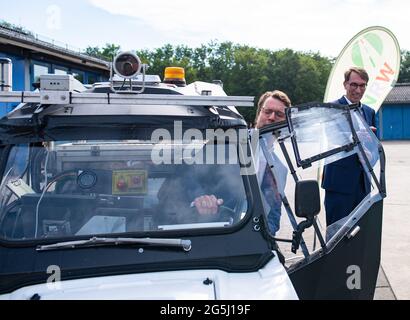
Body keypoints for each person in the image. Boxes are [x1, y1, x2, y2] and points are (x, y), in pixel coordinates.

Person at [193, 90, 291, 235]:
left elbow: (274, 216)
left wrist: (259, 238)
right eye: (268, 111)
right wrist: (199, 201)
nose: (272, 117)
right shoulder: (223, 143)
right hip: (209, 232)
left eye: (279, 114)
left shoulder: (280, 169)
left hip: (248, 243)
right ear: (259, 115)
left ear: (286, 122)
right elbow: (188, 180)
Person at [322, 67, 376, 226]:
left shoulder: (369, 112)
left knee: (360, 236)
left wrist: (371, 150)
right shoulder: (330, 109)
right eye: (354, 84)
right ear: (345, 84)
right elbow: (331, 138)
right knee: (336, 235)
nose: (358, 90)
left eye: (362, 85)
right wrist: (357, 138)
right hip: (338, 184)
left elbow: (374, 146)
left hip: (363, 185)